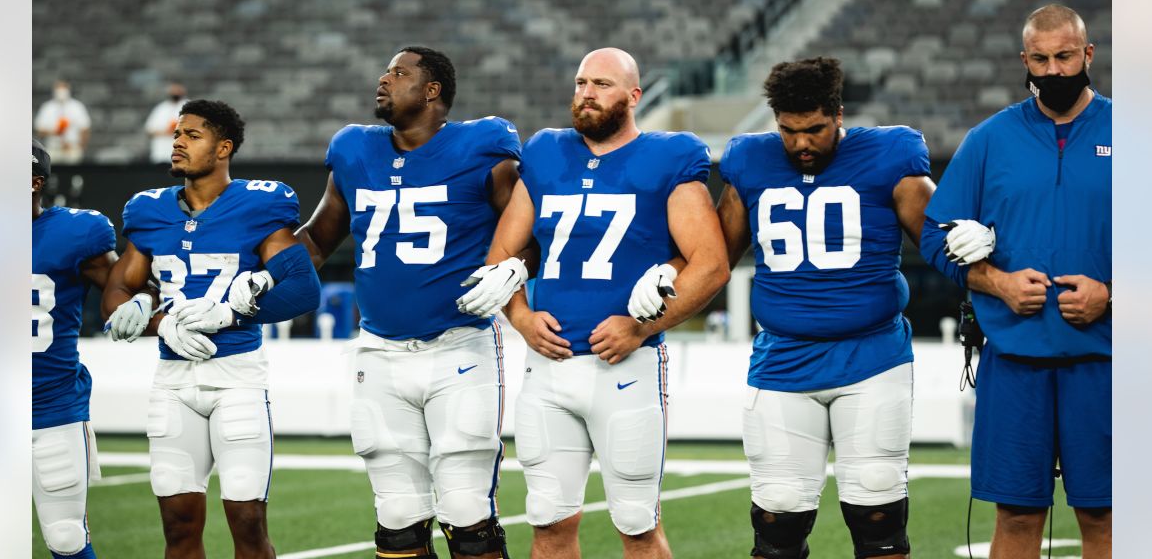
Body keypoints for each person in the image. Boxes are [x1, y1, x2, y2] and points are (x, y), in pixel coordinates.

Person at [467, 47, 729, 559]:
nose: (587, 93)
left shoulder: (669, 156)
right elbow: (502, 255)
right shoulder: (546, 152)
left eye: (602, 84)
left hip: (624, 367)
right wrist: (520, 317)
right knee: (546, 522)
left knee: (636, 525)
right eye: (581, 82)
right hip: (548, 368)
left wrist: (639, 327)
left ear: (634, 96)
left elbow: (711, 263)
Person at [288, 46, 521, 559]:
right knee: (396, 519)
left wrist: (516, 263)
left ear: (432, 90)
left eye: (399, 73)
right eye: (385, 71)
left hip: (459, 345)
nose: (383, 79)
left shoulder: (482, 146)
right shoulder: (354, 150)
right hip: (378, 351)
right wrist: (261, 278)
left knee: (467, 514)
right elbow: (317, 239)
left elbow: (526, 225)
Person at [715, 57, 935, 559]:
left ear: (838, 114)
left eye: (814, 129)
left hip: (872, 358)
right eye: (789, 131)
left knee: (878, 522)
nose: (801, 144)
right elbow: (713, 259)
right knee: (776, 526)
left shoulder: (889, 152)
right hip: (783, 361)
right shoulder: (750, 160)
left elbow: (943, 244)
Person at [923, 4, 1111, 558]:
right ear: (1023, 60)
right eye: (1041, 59)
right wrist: (995, 282)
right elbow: (936, 235)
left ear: (1088, 55)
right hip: (1014, 360)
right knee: (1017, 515)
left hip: (1107, 359)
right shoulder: (989, 140)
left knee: (1104, 515)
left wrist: (1112, 293)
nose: (1054, 71)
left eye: (1065, 57)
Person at [101, 99, 321, 559]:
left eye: (192, 134)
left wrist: (233, 315)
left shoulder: (259, 205)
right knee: (178, 526)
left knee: (247, 523)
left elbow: (303, 289)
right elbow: (117, 292)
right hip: (172, 381)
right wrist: (159, 324)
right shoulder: (150, 211)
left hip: (236, 376)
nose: (177, 142)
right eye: (177, 134)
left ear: (223, 148)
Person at [32, 138, 119, 559]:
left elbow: (125, 290)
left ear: (34, 182)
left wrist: (144, 303)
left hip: (51, 409)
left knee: (66, 536)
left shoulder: (74, 232)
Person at [35, 79, 92, 164]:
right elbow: (39, 130)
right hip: (53, 149)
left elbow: (85, 129)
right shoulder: (47, 107)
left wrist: (81, 148)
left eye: (64, 88)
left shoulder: (77, 107)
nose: (61, 91)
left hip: (72, 149)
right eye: (58, 88)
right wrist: (55, 132)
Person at [145, 82, 187, 163]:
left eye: (177, 89)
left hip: (182, 153)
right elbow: (149, 130)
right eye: (173, 89)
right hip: (161, 153)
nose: (175, 92)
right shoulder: (161, 108)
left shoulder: (189, 106)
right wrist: (165, 132)